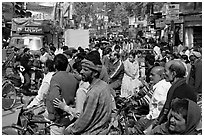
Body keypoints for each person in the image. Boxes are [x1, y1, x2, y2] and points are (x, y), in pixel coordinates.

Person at [64, 50, 112, 135]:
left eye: (85, 70)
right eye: (82, 69)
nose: (81, 72)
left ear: (95, 73)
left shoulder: (93, 92)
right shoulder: (104, 85)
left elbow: (84, 120)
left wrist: (70, 130)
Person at [153, 60, 197, 127]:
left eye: (165, 71)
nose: (163, 74)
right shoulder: (179, 87)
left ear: (173, 73)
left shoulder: (181, 91)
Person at [130, 66, 171, 134]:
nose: (150, 76)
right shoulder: (157, 85)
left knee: (138, 126)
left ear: (161, 76)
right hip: (155, 117)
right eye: (150, 74)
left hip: (155, 118)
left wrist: (148, 118)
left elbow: (157, 107)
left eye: (153, 75)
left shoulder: (161, 87)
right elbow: (145, 92)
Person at [46, 54, 79, 135]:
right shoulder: (73, 77)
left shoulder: (55, 78)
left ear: (54, 65)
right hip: (70, 115)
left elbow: (55, 98)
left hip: (58, 118)